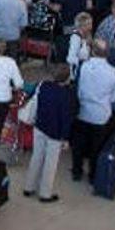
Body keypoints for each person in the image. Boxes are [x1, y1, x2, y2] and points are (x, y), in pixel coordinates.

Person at [22, 67, 76, 202]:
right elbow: (66, 119)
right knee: (50, 163)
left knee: (37, 156)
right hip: (55, 133)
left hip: (39, 126)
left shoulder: (44, 86)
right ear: (67, 79)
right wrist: (66, 138)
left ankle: (29, 187)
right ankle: (45, 193)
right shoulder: (67, 95)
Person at [71, 40, 115, 183]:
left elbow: (78, 88)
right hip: (101, 115)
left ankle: (76, 171)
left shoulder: (85, 67)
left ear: (93, 51)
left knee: (78, 144)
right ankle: (93, 175)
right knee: (96, 147)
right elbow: (114, 97)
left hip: (82, 111)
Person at [66, 12, 95, 81]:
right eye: (89, 24)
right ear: (82, 26)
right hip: (77, 72)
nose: (91, 27)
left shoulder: (88, 36)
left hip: (87, 70)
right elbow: (70, 58)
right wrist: (83, 62)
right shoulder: (75, 38)